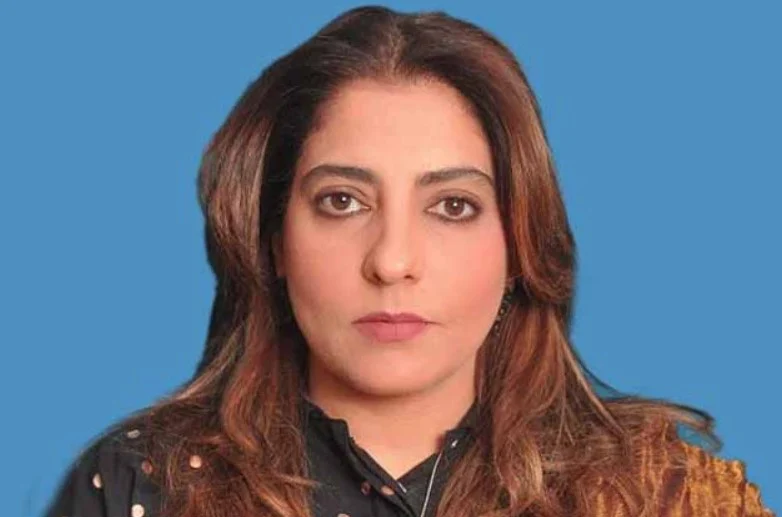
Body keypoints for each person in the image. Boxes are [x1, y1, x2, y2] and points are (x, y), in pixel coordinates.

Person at [44, 5, 773, 517]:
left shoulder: (668, 495)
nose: (392, 262)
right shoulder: (143, 486)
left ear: (519, 243)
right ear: (272, 240)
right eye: (342, 201)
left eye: (452, 205)